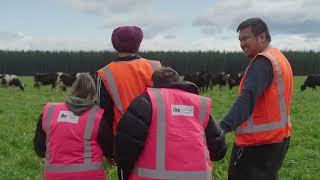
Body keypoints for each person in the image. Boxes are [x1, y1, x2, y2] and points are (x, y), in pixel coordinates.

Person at [115, 67, 227, 180]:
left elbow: (125, 149)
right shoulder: (199, 104)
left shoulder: (145, 102)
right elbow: (219, 151)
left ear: (153, 84)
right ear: (178, 81)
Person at [219, 17, 293, 180]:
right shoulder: (279, 58)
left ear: (262, 37)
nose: (242, 44)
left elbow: (247, 98)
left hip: (256, 145)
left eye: (246, 38)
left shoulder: (262, 62)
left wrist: (222, 127)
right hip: (278, 140)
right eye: (240, 40)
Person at [96, 26, 161, 177]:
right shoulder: (155, 67)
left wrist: (109, 151)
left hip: (124, 141)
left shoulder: (105, 73)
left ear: (114, 44)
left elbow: (103, 116)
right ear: (138, 43)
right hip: (156, 137)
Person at [33, 73, 112, 180]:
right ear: (93, 94)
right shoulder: (98, 116)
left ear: (72, 90)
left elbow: (39, 150)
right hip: (90, 176)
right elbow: (109, 149)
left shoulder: (50, 111)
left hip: (55, 176)